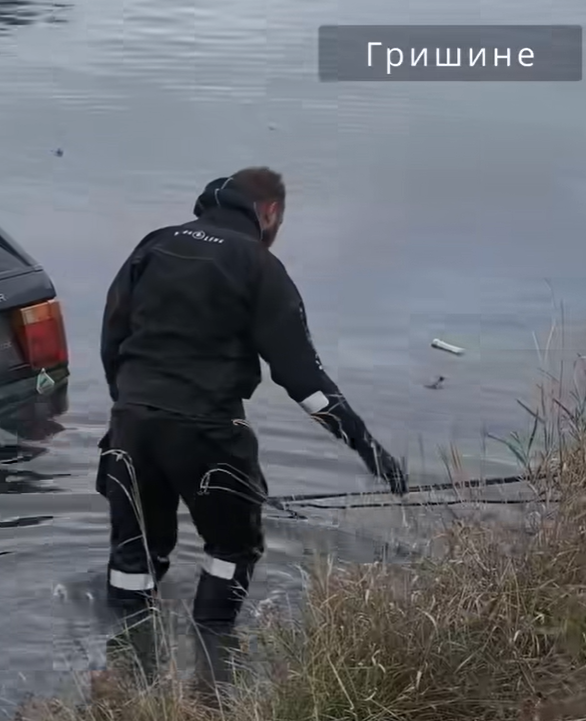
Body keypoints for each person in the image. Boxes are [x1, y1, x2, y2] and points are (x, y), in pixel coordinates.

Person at [96, 168, 407, 689]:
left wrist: (129, 410)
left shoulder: (153, 246)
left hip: (132, 427)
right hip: (209, 435)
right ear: (270, 214)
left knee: (136, 556)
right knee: (232, 548)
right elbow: (303, 380)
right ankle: (214, 668)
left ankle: (124, 680)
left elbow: (112, 338)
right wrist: (369, 449)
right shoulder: (260, 266)